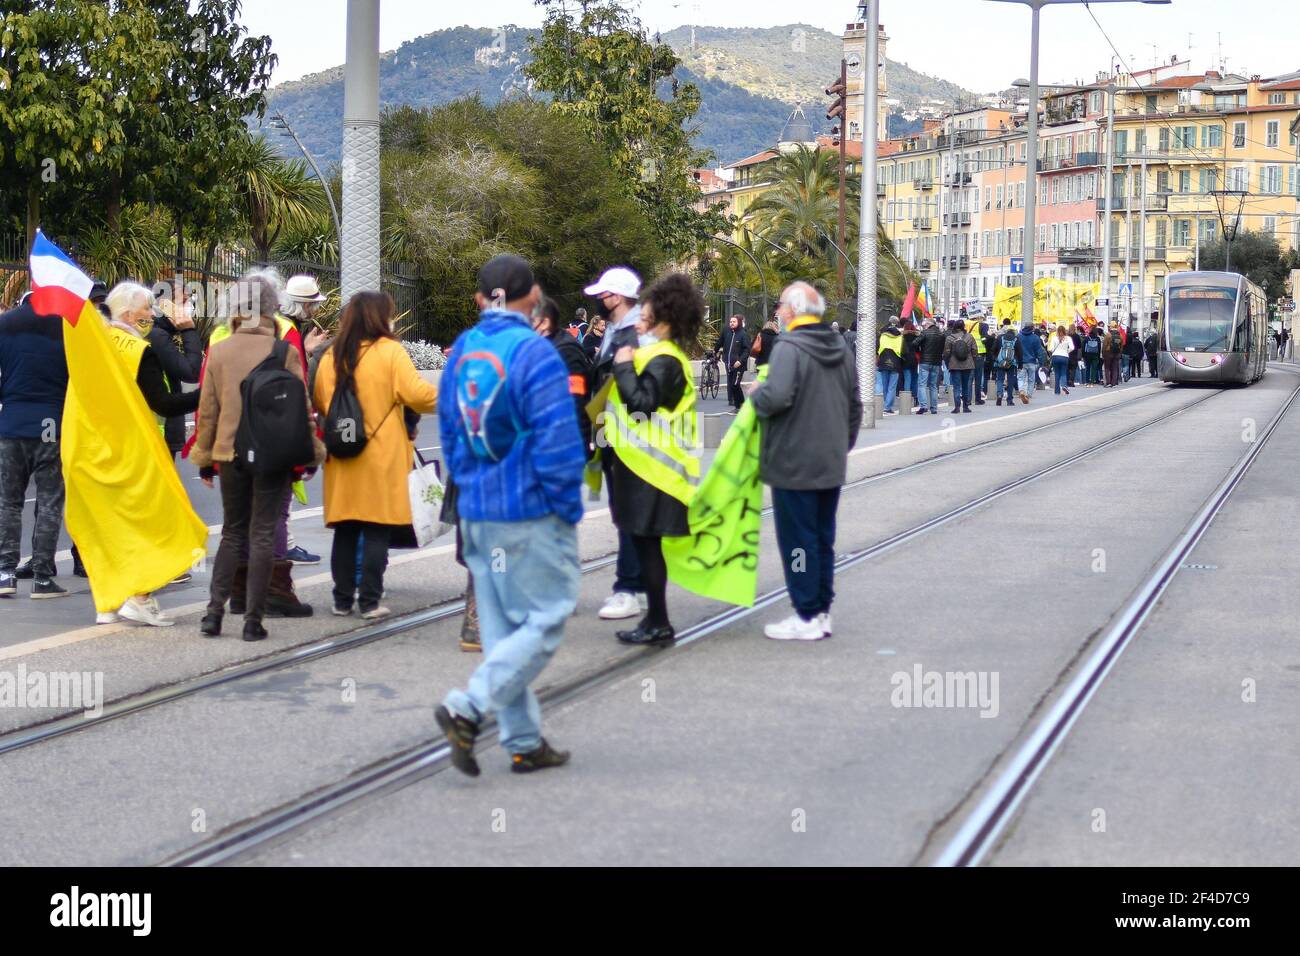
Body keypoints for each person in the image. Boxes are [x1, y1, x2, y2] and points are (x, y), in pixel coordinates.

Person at [435, 254, 587, 776]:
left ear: (481, 299)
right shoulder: (536, 354)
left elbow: (450, 437)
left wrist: (472, 488)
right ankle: (468, 706)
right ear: (533, 296)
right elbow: (559, 444)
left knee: (501, 633)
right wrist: (567, 510)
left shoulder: (461, 353)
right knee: (548, 615)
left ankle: (523, 740)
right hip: (528, 510)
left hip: (478, 509)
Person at [190, 272, 324, 641]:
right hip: (272, 453)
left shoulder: (219, 351)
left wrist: (205, 459)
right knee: (263, 532)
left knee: (233, 532)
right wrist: (310, 455)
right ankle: (253, 620)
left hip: (230, 453)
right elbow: (302, 408)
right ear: (272, 308)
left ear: (235, 307)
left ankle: (214, 614)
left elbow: (208, 411)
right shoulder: (285, 352)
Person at [313, 291, 438, 620]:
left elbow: (322, 400)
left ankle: (341, 600)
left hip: (343, 451)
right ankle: (369, 600)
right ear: (380, 318)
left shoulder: (333, 354)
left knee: (346, 527)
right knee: (377, 527)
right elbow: (417, 395)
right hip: (381, 454)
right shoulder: (390, 352)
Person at [749, 282, 862, 640]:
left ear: (794, 311)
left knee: (797, 541)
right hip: (829, 462)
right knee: (821, 537)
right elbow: (855, 405)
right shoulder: (841, 347)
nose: (778, 312)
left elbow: (777, 396)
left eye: (781, 305)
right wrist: (840, 446)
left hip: (794, 462)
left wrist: (756, 395)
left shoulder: (789, 346)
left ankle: (806, 613)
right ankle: (821, 610)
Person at [605, 273, 703, 646]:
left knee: (649, 550)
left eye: (644, 316)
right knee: (647, 549)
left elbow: (642, 405)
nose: (639, 321)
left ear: (663, 319)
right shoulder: (661, 355)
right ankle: (655, 619)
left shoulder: (665, 360)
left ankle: (658, 621)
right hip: (645, 471)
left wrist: (624, 365)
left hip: (656, 475)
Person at [100, 282, 202, 625]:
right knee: (151, 518)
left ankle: (109, 601)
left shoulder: (97, 343)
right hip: (136, 447)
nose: (151, 314)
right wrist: (209, 395)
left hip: (100, 446)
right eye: (146, 308)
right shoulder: (138, 350)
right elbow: (164, 403)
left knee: (113, 522)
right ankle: (140, 596)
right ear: (129, 314)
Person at [586, 266, 646, 621]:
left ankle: (629, 588)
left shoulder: (634, 334)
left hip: (626, 433)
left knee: (629, 511)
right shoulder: (617, 330)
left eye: (603, 295)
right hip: (611, 430)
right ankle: (632, 585)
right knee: (624, 510)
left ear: (618, 297)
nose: (598, 301)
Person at [0, 289, 69, 599]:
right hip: (49, 422)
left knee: (9, 501)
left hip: (12, 422)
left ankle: (5, 573)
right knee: (50, 500)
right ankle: (42, 576)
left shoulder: (6, 323)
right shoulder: (66, 329)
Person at [144, 291, 203, 460]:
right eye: (183, 301)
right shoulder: (157, 335)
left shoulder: (157, 332)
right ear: (164, 305)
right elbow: (191, 372)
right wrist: (189, 330)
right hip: (162, 429)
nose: (189, 306)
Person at [714, 313, 751, 410]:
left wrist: (740, 360)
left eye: (734, 322)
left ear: (738, 322)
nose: (731, 323)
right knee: (732, 384)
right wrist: (716, 351)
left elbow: (747, 350)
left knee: (735, 384)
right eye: (730, 322)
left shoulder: (743, 334)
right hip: (729, 363)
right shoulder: (728, 333)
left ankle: (740, 405)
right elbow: (721, 343)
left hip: (738, 365)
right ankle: (737, 404)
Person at [943, 318, 977, 413]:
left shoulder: (950, 338)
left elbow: (946, 353)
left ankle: (957, 407)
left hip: (954, 365)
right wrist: (972, 361)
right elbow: (974, 350)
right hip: (968, 365)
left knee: (956, 386)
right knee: (966, 386)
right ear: (963, 327)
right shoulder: (970, 337)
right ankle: (966, 406)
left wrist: (948, 363)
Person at [913, 316, 945, 414]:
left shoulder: (925, 333)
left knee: (922, 384)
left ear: (929, 324)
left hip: (925, 362)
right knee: (933, 386)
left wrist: (920, 350)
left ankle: (923, 406)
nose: (924, 326)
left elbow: (914, 343)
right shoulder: (941, 334)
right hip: (936, 362)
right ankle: (934, 408)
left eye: (925, 324)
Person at [876, 315, 904, 415]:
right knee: (892, 386)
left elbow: (877, 347)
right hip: (896, 362)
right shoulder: (900, 336)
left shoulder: (882, 334)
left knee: (884, 384)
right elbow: (903, 350)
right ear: (897, 323)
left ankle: (882, 404)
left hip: (883, 360)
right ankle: (888, 407)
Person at [990, 319, 1022, 406]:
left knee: (1000, 379)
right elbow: (1020, 353)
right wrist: (1020, 365)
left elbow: (993, 350)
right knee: (1010, 380)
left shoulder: (1000, 338)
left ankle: (999, 395)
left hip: (1001, 362)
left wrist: (996, 359)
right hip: (1012, 363)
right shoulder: (1016, 339)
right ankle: (1009, 400)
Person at [1016, 319, 1045, 404]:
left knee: (1021, 378)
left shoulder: (1019, 336)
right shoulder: (1035, 338)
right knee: (1031, 379)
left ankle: (1021, 390)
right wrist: (1041, 362)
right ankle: (1028, 395)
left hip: (1021, 362)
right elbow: (1039, 351)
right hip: (1032, 362)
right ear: (1032, 328)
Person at [1048, 323, 1072, 396]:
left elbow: (1051, 349)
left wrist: (1054, 352)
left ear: (1057, 331)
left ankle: (1057, 391)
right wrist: (1066, 352)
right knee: (1063, 373)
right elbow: (1072, 347)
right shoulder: (1068, 338)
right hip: (1064, 357)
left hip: (1055, 356)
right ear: (1065, 331)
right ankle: (1064, 386)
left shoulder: (1054, 338)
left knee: (1057, 373)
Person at [900, 319, 919, 405]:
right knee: (915, 379)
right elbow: (918, 349)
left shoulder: (902, 337)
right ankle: (916, 398)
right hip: (914, 359)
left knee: (907, 379)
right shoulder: (916, 337)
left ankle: (907, 400)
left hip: (905, 359)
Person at [1102, 319, 1123, 387]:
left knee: (1107, 368)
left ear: (1110, 327)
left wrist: (1103, 353)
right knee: (1115, 368)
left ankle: (1108, 382)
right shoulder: (1120, 335)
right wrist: (1119, 353)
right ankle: (1114, 383)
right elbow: (1121, 345)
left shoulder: (1108, 335)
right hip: (1116, 353)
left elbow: (1104, 345)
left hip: (1108, 353)